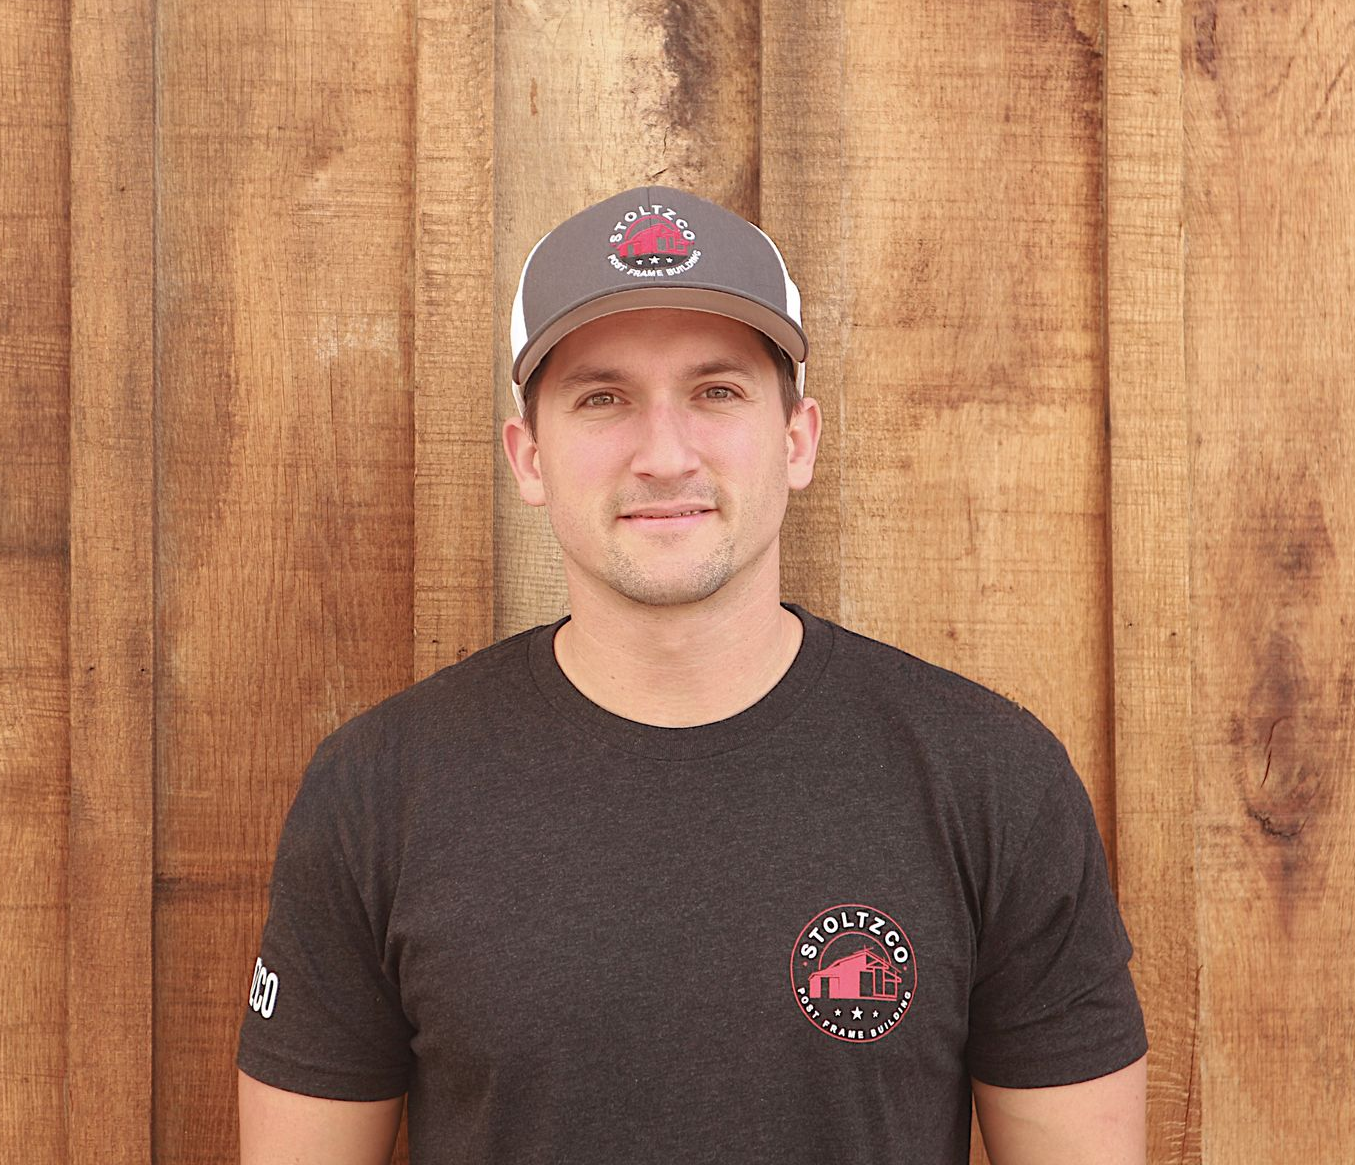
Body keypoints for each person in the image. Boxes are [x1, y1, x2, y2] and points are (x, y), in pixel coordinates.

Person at [237, 185, 1148, 1164]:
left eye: (716, 391)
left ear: (795, 440)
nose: (664, 455)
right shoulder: (379, 790)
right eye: (602, 398)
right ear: (528, 457)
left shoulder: (989, 778)